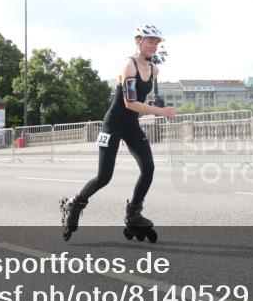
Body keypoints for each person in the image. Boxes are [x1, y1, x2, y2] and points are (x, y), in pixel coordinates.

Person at [61, 24, 176, 240]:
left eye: (157, 42)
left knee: (148, 168)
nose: (154, 46)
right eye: (150, 41)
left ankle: (134, 213)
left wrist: (155, 107)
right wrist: (160, 111)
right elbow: (130, 102)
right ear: (138, 41)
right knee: (104, 177)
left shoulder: (154, 70)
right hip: (113, 125)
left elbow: (140, 101)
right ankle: (75, 204)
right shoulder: (128, 66)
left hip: (131, 125)